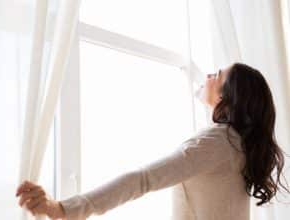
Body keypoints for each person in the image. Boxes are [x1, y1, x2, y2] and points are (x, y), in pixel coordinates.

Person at [16, 63, 289, 220]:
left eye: (217, 75)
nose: (208, 76)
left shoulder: (217, 144)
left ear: (226, 97)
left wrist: (64, 209)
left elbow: (144, 179)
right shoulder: (235, 145)